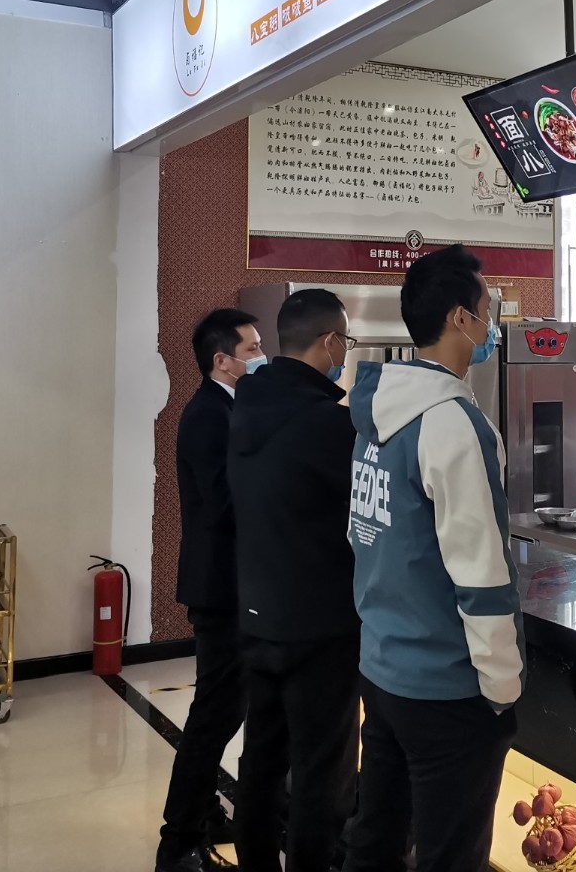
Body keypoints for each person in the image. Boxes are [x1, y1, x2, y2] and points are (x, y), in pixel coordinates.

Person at [342, 245, 522, 872]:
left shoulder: (375, 415)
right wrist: (501, 686)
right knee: (450, 854)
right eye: (486, 310)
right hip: (447, 687)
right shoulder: (452, 424)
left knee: (376, 839)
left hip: (383, 666)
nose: (491, 323)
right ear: (459, 319)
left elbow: (364, 535)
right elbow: (481, 569)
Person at [228, 289, 363, 872]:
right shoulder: (326, 424)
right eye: (345, 341)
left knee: (262, 757)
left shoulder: (245, 407)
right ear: (330, 342)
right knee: (320, 771)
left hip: (257, 612)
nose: (345, 352)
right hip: (320, 624)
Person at [157, 307, 265, 872]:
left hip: (231, 583)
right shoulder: (207, 415)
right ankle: (178, 841)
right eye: (252, 349)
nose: (261, 356)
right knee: (214, 715)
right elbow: (223, 503)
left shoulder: (228, 407)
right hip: (220, 587)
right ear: (222, 360)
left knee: (224, 709)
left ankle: (202, 810)